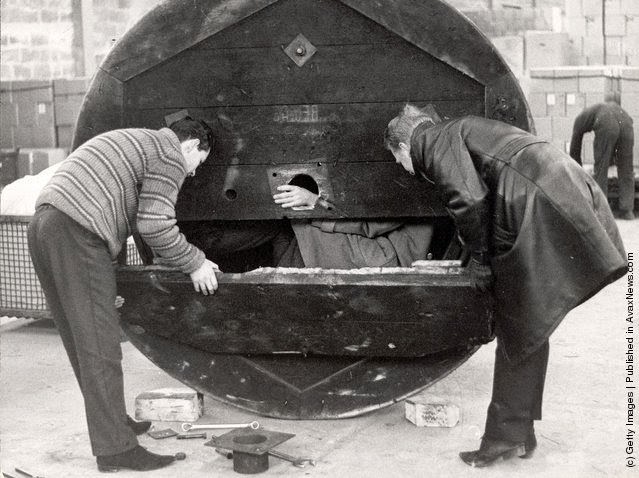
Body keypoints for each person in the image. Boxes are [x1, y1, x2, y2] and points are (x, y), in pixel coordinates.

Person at [384, 104, 627, 467]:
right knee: (529, 321)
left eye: (398, 160)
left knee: (517, 322)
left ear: (403, 147)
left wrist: (481, 262)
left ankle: (502, 437)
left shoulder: (432, 144)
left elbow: (469, 199)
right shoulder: (453, 129)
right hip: (553, 178)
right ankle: (518, 433)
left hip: (535, 194)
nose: (404, 168)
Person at [27, 117, 219, 473]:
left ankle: (114, 423)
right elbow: (155, 224)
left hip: (44, 225)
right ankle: (116, 450)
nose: (192, 174)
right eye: (199, 164)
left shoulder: (138, 141)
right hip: (77, 232)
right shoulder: (169, 154)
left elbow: (115, 206)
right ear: (191, 146)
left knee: (81, 339)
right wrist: (195, 262)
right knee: (100, 345)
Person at [272, 184, 434, 268]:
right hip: (380, 242)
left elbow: (368, 225)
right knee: (293, 228)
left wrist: (316, 204)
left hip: (387, 255)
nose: (398, 160)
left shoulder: (415, 185)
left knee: (304, 230)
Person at [570, 93, 635, 220]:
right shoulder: (597, 110)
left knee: (601, 168)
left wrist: (577, 169)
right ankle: (627, 211)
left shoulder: (579, 120)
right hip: (626, 121)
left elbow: (574, 150)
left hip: (607, 121)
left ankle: (602, 212)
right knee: (627, 169)